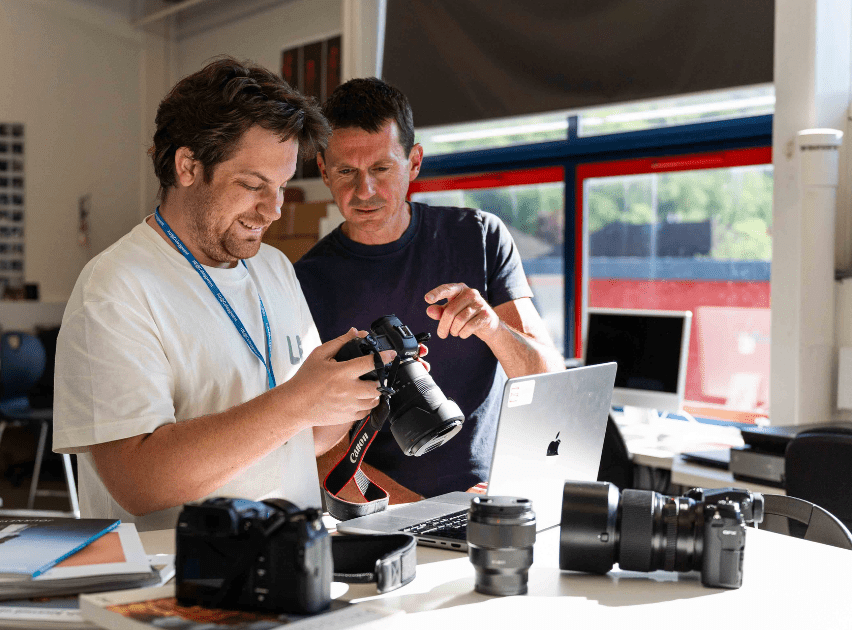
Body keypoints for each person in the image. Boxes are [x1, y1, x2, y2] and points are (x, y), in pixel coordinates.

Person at [53, 58, 395, 531]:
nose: (273, 210)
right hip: (175, 585)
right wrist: (296, 400)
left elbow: (304, 437)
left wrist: (353, 391)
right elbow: (138, 484)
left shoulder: (273, 268)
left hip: (289, 564)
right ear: (188, 166)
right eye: (253, 185)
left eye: (280, 187)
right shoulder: (115, 288)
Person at [295, 78, 566, 501]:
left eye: (381, 169)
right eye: (346, 171)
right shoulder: (305, 283)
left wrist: (492, 328)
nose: (363, 191)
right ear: (324, 170)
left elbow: (550, 383)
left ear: (414, 162)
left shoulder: (478, 237)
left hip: (493, 496)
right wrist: (415, 512)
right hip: (384, 510)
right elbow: (315, 450)